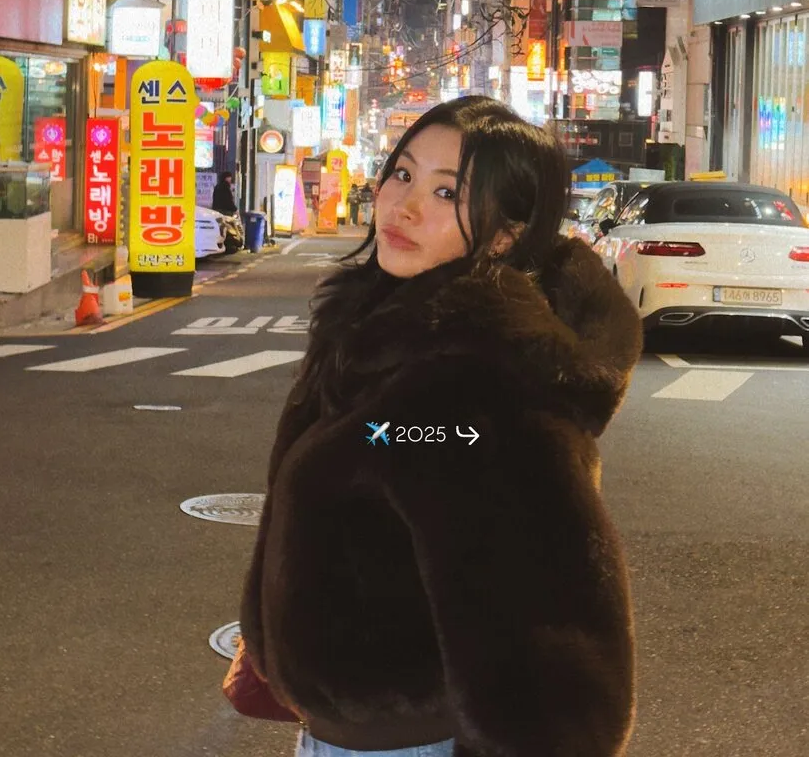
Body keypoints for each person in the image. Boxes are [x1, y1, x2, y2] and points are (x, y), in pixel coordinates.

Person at [239, 96, 643, 757]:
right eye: (403, 173)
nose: (405, 206)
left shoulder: (477, 383)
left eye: (447, 192)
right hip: (349, 736)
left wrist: (383, 440)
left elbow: (551, 626)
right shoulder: (376, 327)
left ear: (504, 235)